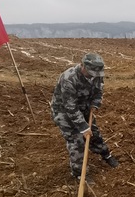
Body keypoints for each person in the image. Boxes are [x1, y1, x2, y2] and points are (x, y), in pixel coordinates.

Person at [51, 53, 119, 181]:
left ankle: (106, 155)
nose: (94, 75)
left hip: (85, 108)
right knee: (77, 141)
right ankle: (79, 173)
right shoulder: (69, 78)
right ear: (82, 66)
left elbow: (99, 91)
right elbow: (70, 107)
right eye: (91, 72)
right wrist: (82, 127)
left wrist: (95, 104)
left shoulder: (97, 74)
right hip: (64, 112)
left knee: (94, 134)